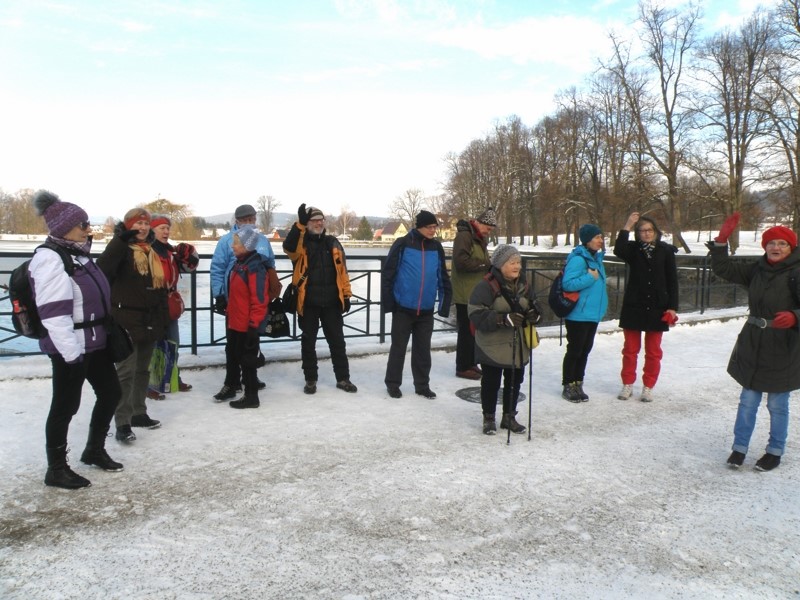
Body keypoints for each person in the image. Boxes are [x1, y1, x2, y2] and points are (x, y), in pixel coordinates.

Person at [29, 190, 124, 488]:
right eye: (82, 224)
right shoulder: (50, 259)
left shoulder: (79, 254)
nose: (87, 228)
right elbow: (54, 314)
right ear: (63, 228)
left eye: (86, 223)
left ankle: (94, 449)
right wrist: (71, 354)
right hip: (71, 346)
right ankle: (56, 468)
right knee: (65, 406)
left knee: (111, 393)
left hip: (95, 342)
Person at [708, 213, 800, 472]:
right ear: (765, 246)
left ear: (791, 247)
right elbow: (723, 268)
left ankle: (775, 450)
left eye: (782, 243)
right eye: (771, 243)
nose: (776, 247)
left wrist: (794, 316)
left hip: (784, 346)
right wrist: (721, 242)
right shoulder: (757, 269)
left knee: (777, 403)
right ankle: (739, 449)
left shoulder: (797, 272)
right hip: (753, 342)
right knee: (748, 399)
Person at [97, 208, 170, 442]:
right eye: (137, 223)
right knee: (126, 372)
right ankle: (123, 422)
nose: (143, 227)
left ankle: (139, 412)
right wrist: (120, 241)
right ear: (128, 226)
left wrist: (162, 320)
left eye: (146, 223)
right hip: (124, 319)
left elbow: (159, 290)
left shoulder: (151, 251)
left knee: (142, 370)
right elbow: (103, 268)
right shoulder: (121, 250)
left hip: (149, 320)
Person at [283, 204, 357, 394]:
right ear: (307, 224)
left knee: (338, 342)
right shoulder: (301, 244)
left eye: (320, 220)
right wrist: (299, 225)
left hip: (332, 303)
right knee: (308, 343)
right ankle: (310, 380)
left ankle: (343, 378)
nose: (318, 223)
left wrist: (347, 295)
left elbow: (343, 272)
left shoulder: (333, 242)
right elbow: (289, 247)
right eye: (314, 220)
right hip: (308, 304)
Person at [469, 245, 540, 435]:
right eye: (513, 262)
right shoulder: (486, 285)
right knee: (491, 382)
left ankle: (509, 417)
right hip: (492, 345)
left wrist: (535, 315)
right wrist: (502, 319)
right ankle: (489, 418)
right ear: (501, 265)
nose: (518, 266)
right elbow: (475, 313)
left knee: (514, 381)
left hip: (518, 345)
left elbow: (534, 304)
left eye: (519, 262)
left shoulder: (524, 284)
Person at [382, 210, 452, 399]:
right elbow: (388, 273)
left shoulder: (436, 247)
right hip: (403, 308)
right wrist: (389, 304)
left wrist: (444, 304)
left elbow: (442, 277)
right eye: (429, 227)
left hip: (426, 310)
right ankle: (393, 384)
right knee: (398, 349)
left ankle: (422, 386)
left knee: (423, 351)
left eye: (435, 227)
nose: (433, 230)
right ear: (419, 227)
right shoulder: (403, 243)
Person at [210, 204, 276, 401]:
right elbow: (217, 269)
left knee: (249, 345)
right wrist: (219, 295)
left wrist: (269, 294)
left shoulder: (262, 241)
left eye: (251, 219)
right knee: (233, 346)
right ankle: (233, 382)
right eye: (245, 220)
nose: (249, 223)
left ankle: (249, 382)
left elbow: (270, 266)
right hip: (233, 301)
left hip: (253, 302)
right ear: (237, 221)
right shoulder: (226, 241)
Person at [613, 212, 679, 402]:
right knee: (630, 349)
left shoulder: (665, 251)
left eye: (649, 230)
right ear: (638, 234)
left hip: (658, 306)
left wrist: (672, 307)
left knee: (653, 351)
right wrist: (627, 224)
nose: (646, 234)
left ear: (656, 231)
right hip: (634, 305)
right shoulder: (633, 250)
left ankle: (648, 386)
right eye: (642, 231)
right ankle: (627, 384)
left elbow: (672, 281)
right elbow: (619, 249)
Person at [149, 215, 199, 395]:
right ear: (152, 230)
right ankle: (151, 384)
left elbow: (190, 267)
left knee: (173, 343)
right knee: (154, 344)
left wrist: (189, 254)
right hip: (153, 304)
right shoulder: (146, 251)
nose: (166, 231)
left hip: (169, 304)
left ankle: (171, 377)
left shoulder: (170, 251)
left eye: (167, 228)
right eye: (161, 228)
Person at [224, 225, 271, 408]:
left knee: (248, 361)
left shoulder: (254, 267)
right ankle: (246, 392)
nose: (232, 246)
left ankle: (252, 397)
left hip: (247, 325)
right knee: (240, 358)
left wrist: (254, 326)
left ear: (247, 245)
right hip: (237, 323)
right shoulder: (240, 264)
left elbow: (259, 300)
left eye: (236, 243)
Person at [561, 223, 608, 403]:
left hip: (592, 314)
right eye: (597, 237)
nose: (601, 241)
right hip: (578, 314)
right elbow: (568, 284)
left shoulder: (596, 258)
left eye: (601, 237)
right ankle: (568, 384)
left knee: (585, 350)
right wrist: (590, 277)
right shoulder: (579, 259)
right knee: (575, 349)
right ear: (588, 240)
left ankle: (578, 383)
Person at [451, 207, 496, 380]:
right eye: (488, 228)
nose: (488, 232)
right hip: (465, 293)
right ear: (479, 223)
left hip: (474, 292)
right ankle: (462, 366)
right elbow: (461, 262)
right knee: (465, 331)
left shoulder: (476, 237)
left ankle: (470, 363)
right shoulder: (465, 236)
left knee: (472, 331)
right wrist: (485, 265)